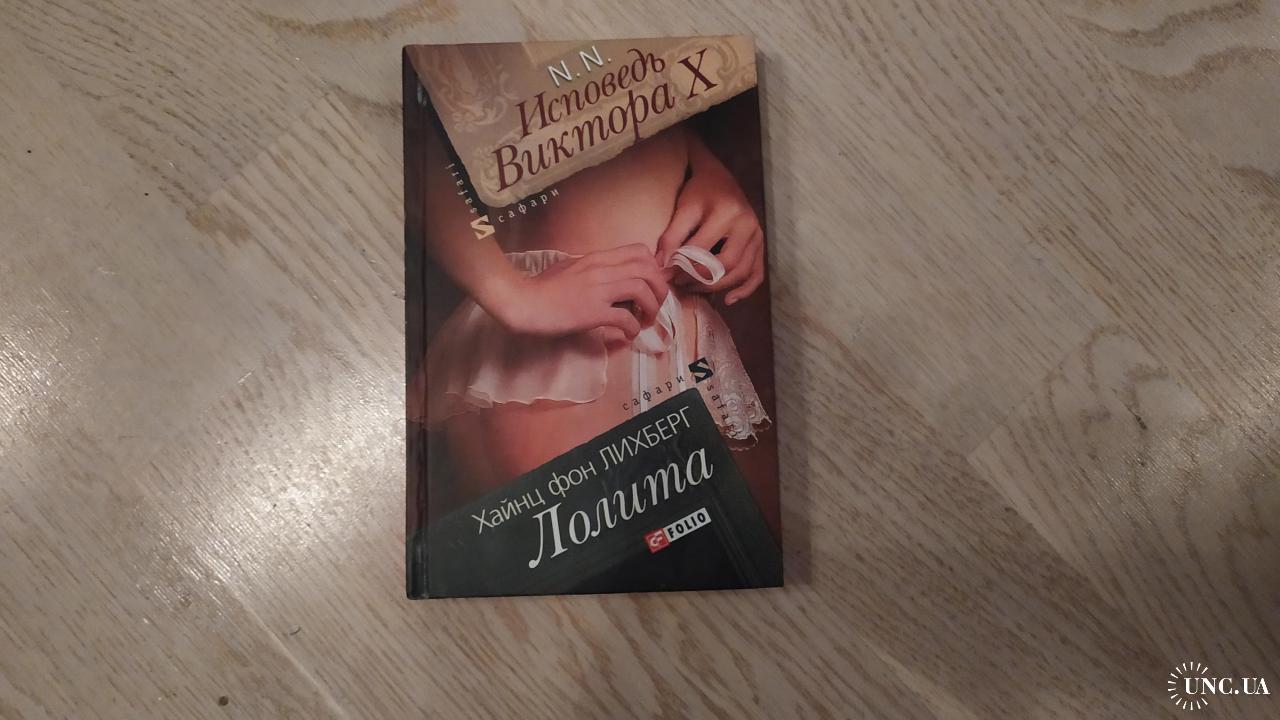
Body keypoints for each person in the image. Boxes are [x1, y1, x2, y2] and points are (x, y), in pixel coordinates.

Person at [420, 121, 769, 497]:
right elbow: (421, 135)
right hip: (565, 366)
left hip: (650, 352)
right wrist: (509, 294)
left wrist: (702, 163)